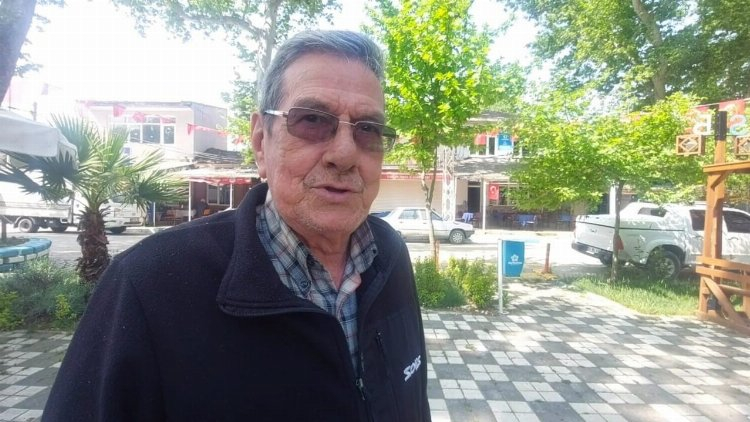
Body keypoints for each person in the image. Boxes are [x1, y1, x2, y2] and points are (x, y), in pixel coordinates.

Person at [43, 30, 430, 421]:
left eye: (368, 129)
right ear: (261, 141)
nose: (345, 154)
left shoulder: (390, 256)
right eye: (312, 120)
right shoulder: (146, 285)